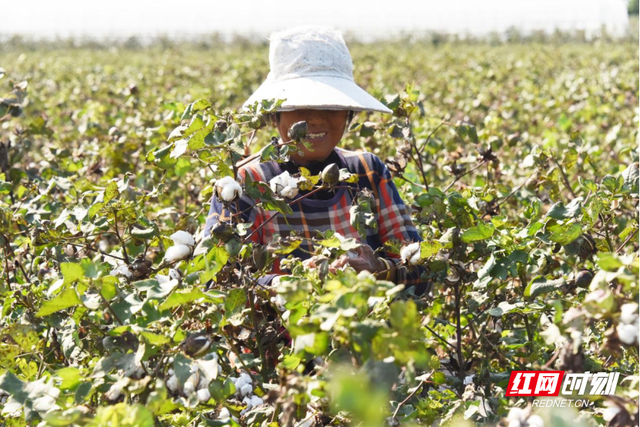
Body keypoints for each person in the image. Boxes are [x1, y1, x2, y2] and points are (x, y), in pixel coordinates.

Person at [205, 25, 431, 296]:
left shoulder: (368, 172)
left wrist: (379, 269)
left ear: (348, 112)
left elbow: (423, 269)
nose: (315, 118)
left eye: (331, 106)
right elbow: (217, 282)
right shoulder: (244, 184)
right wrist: (288, 286)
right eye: (299, 105)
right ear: (275, 114)